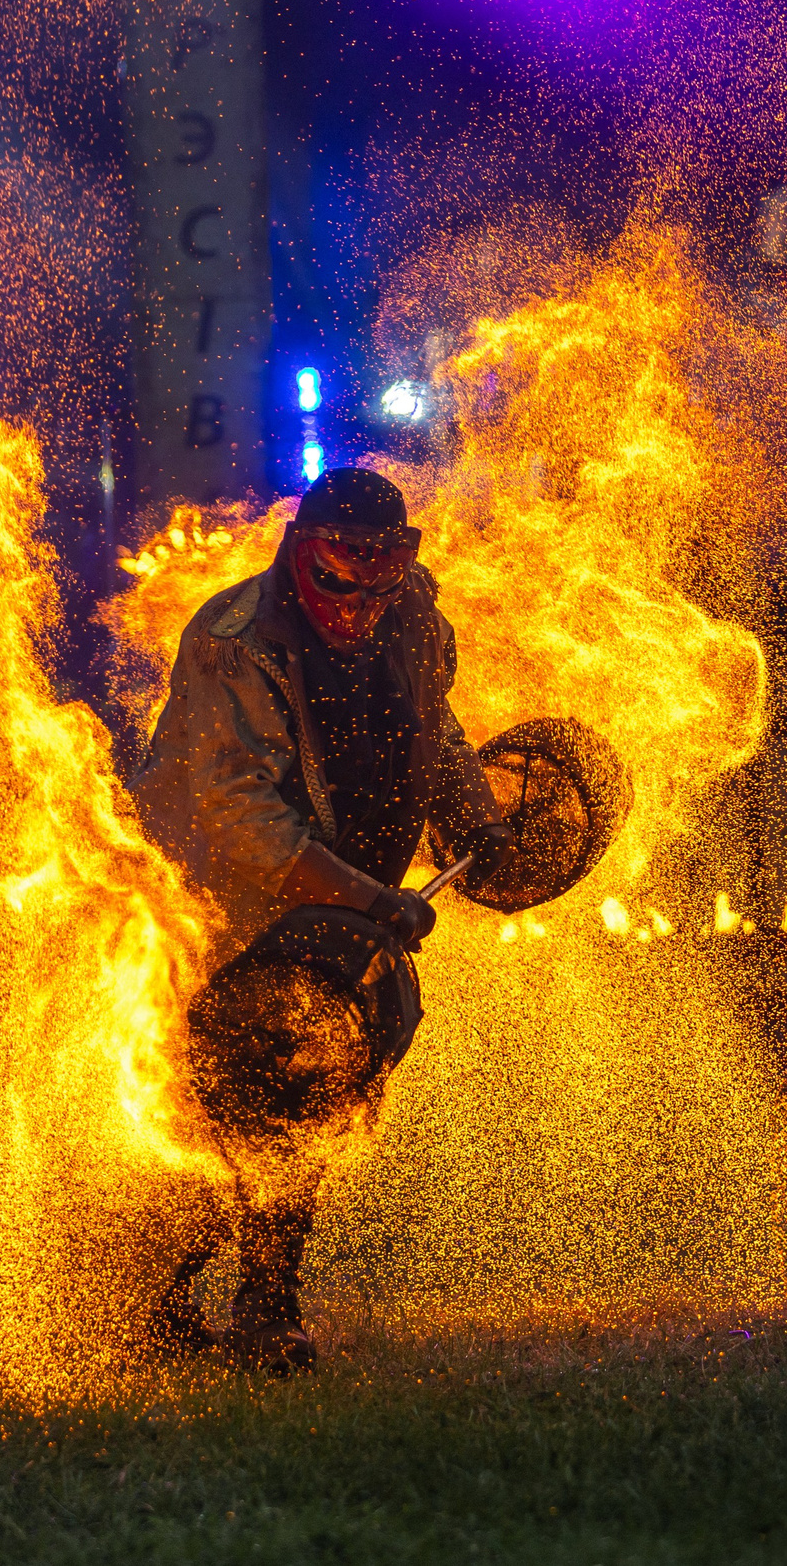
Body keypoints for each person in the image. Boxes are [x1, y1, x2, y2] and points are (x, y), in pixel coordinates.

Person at [133, 467, 511, 1373]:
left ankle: (184, 1294)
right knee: (259, 1088)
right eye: (338, 585)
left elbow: (435, 730)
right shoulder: (232, 642)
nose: (355, 608)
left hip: (342, 902)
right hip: (218, 898)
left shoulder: (413, 617)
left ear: (401, 564)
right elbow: (243, 820)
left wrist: (479, 817)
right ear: (303, 553)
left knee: (313, 1092)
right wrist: (371, 899)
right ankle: (227, 1301)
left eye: (376, 588)